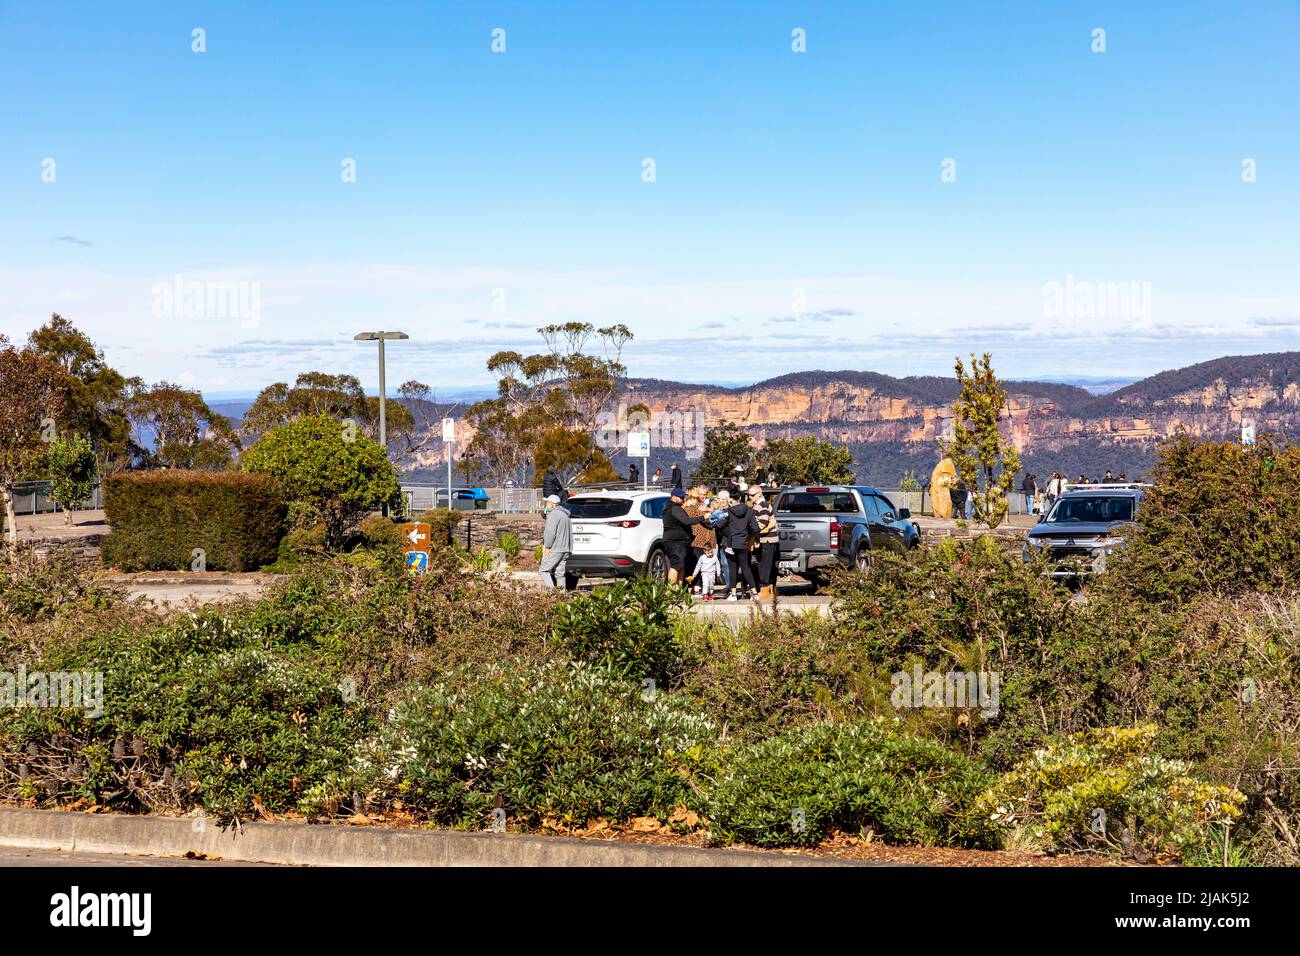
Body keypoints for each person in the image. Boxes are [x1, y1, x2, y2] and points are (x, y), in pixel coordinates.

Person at [661, 485, 709, 585]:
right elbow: (686, 521)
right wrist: (703, 517)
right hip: (675, 542)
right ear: (673, 497)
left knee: (681, 566)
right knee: (676, 566)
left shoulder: (670, 507)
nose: (683, 499)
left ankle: (679, 591)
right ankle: (671, 591)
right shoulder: (674, 508)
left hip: (677, 541)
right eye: (681, 497)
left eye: (683, 497)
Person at [721, 492, 760, 600]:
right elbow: (755, 527)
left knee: (732, 569)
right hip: (743, 542)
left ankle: (733, 594)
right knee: (746, 568)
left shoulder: (728, 511)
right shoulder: (750, 511)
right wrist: (757, 539)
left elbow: (721, 525)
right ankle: (755, 593)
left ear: (731, 500)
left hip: (730, 543)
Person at [748, 485, 780, 602]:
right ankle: (770, 590)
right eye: (749, 495)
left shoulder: (763, 505)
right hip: (766, 539)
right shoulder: (757, 505)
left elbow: (761, 524)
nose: (750, 497)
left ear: (759, 494)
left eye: (752, 495)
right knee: (767, 565)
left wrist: (749, 530)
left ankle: (765, 590)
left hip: (767, 540)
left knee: (765, 566)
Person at [683, 485, 716, 592]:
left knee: (692, 564)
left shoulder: (686, 505)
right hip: (699, 539)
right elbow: (709, 521)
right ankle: (695, 586)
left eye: (705, 494)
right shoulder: (698, 506)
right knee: (698, 564)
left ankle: (690, 586)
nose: (703, 496)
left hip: (694, 538)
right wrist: (711, 513)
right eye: (701, 494)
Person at [539, 494, 572, 589]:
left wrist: (547, 546)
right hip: (566, 548)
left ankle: (552, 594)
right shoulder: (565, 515)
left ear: (552, 505)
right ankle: (561, 597)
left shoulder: (553, 515)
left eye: (547, 503)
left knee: (543, 570)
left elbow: (550, 532)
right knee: (560, 574)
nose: (546, 505)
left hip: (556, 548)